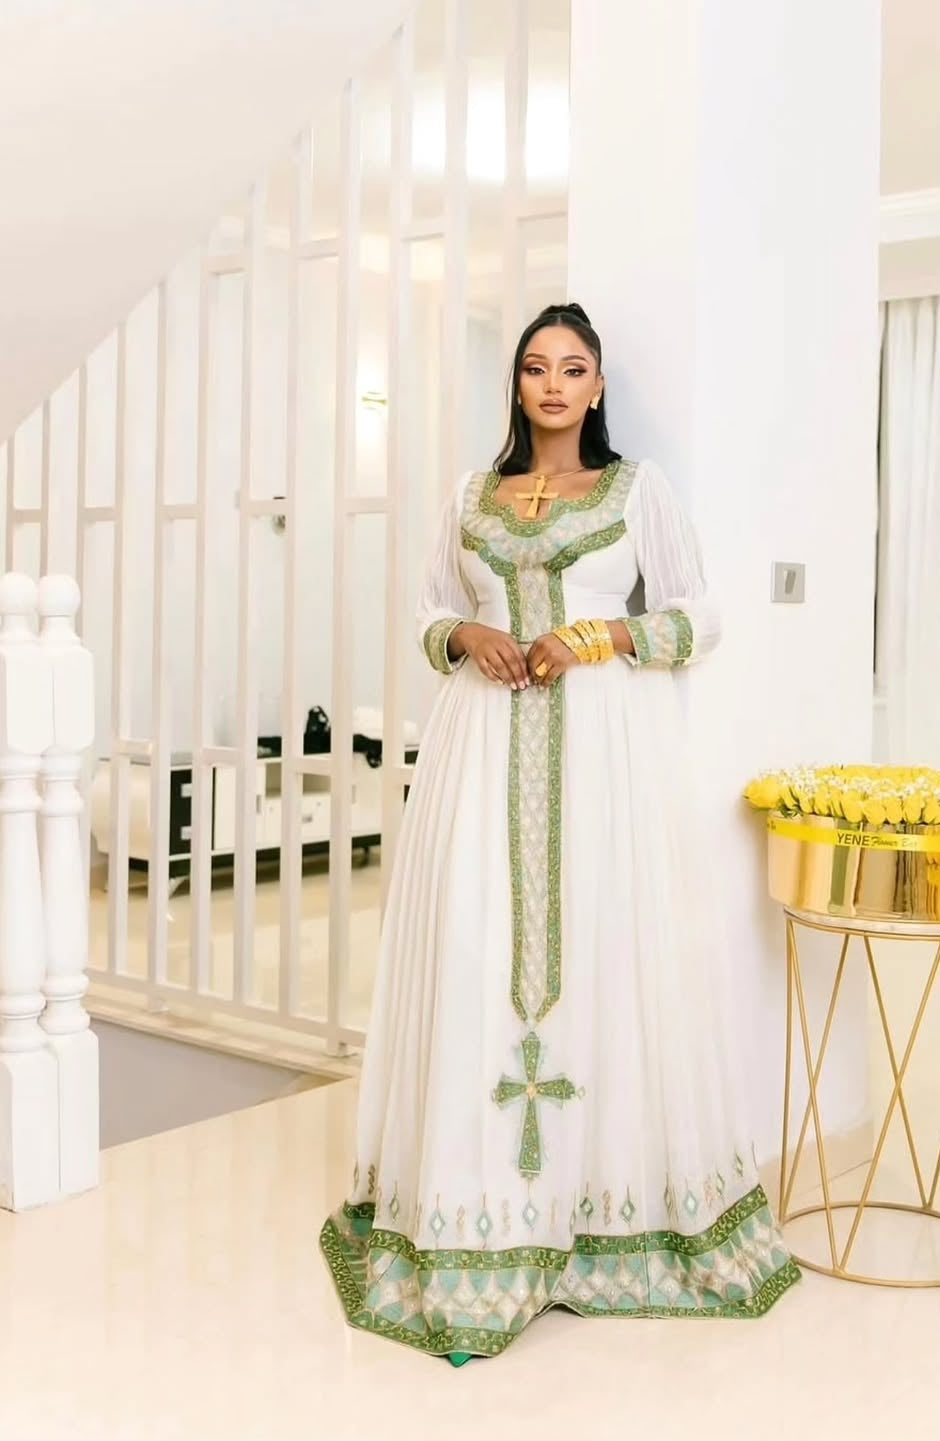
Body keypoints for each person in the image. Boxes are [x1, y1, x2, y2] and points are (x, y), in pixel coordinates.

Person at [321, 303, 797, 1363]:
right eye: (536, 367)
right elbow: (425, 614)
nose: (551, 384)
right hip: (478, 749)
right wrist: (466, 634)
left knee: (603, 950)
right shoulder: (470, 496)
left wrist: (609, 633)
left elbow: (699, 614)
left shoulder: (636, 493)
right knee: (474, 945)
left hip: (604, 754)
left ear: (595, 388)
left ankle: (594, 1218)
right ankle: (470, 1217)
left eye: (571, 369)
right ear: (518, 386)